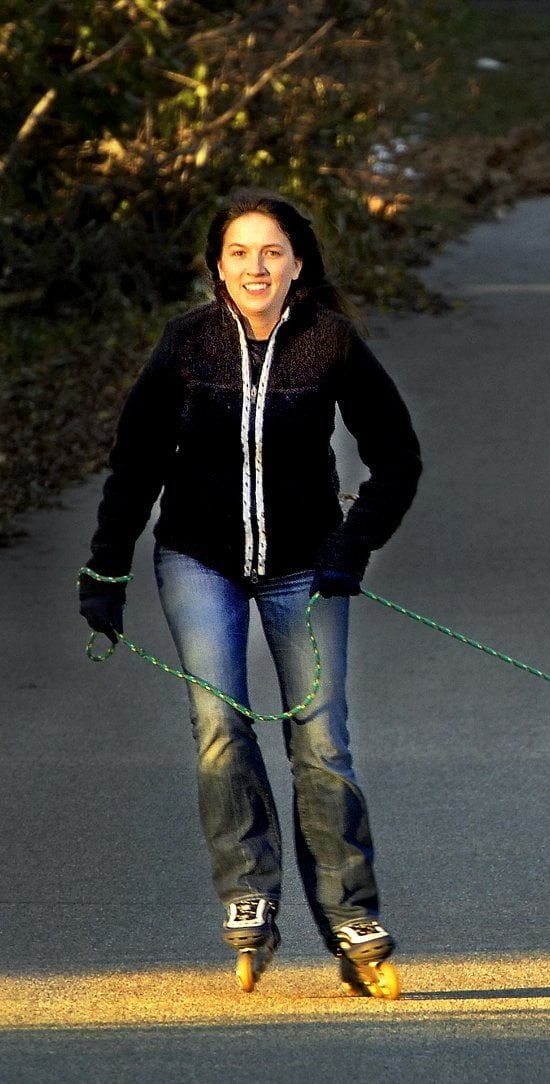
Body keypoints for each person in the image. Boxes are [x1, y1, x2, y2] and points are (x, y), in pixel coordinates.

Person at [77, 190, 422, 996]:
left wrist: (350, 546)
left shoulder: (330, 344)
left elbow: (397, 460)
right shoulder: (186, 345)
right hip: (198, 560)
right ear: (217, 266)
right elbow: (135, 464)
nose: (255, 267)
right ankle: (247, 898)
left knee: (322, 740)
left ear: (298, 262)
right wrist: (105, 568)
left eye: (271, 252)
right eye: (239, 252)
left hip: (308, 568)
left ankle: (351, 917)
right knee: (220, 726)